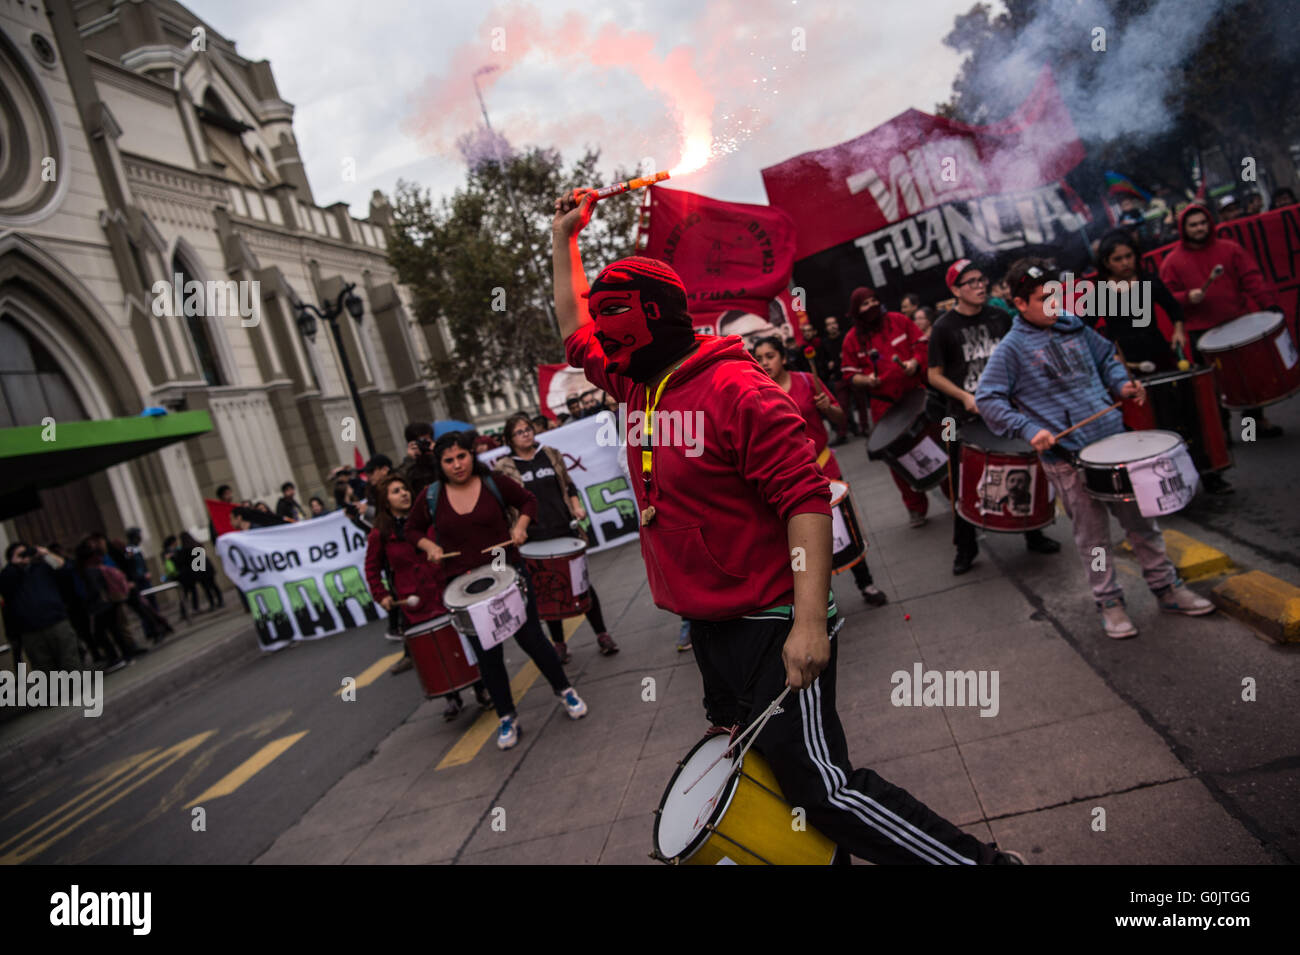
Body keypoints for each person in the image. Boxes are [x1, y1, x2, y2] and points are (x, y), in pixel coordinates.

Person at [552, 187, 1023, 865]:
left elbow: (806, 501)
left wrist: (807, 622)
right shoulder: (638, 383)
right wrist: (565, 237)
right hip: (713, 629)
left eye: (612, 315)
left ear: (652, 318)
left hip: (772, 618)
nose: (599, 331)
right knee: (763, 780)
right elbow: (573, 331)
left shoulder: (735, 391)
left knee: (823, 788)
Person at [975, 258, 1216, 638]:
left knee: (1143, 524)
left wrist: (1121, 385)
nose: (1054, 304)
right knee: (1094, 540)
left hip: (1113, 445)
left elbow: (1107, 359)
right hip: (1068, 460)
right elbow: (987, 399)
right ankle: (1110, 603)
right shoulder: (1011, 349)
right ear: (1020, 304)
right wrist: (1029, 428)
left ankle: (1167, 589)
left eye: (1056, 294)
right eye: (1042, 299)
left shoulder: (1075, 326)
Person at [406, 431, 589, 750]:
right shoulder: (432, 496)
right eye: (448, 460)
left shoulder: (492, 482)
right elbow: (411, 529)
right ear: (440, 464)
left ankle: (564, 690)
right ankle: (507, 716)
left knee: (531, 638)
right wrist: (429, 546)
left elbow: (527, 500)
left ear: (471, 455)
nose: (457, 465)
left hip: (507, 572)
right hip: (464, 586)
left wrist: (519, 527)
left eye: (461, 456)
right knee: (487, 653)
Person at [927, 259, 1060, 574]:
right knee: (965, 484)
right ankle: (965, 548)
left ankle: (1033, 532)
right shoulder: (943, 328)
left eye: (981, 279)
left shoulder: (1000, 317)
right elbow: (934, 375)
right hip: (966, 418)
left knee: (1025, 468)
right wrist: (965, 397)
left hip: (1007, 411)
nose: (979, 286)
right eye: (970, 282)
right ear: (955, 290)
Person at [1090, 229, 1233, 496]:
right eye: (1118, 259)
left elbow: (1174, 310)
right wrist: (1110, 355)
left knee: (1184, 416)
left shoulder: (1149, 281)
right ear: (1106, 263)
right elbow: (1086, 330)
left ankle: (1208, 475)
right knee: (1148, 426)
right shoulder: (1099, 291)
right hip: (1127, 368)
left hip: (1161, 358)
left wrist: (1178, 331)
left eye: (1129, 256)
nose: (1125, 263)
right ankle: (1156, 486)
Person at [752, 337, 888, 605]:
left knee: (843, 528)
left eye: (770, 356)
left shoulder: (806, 380)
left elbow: (840, 417)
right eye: (759, 358)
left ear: (784, 357)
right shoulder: (758, 391)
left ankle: (866, 583)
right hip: (789, 478)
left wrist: (828, 408)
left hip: (824, 467)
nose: (765, 362)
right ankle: (821, 601)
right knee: (803, 542)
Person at [493, 412, 619, 661]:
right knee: (548, 591)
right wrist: (513, 528)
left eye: (528, 428)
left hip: (563, 529)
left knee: (581, 585)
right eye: (519, 432)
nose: (526, 433)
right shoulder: (504, 467)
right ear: (509, 438)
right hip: (534, 539)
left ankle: (602, 633)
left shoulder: (550, 453)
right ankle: (559, 643)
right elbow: (503, 504)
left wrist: (576, 506)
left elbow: (569, 485)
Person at [365, 474, 492, 717]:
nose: (403, 493)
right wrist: (380, 595)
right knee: (435, 648)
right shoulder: (379, 534)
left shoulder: (427, 520)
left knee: (463, 639)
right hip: (414, 598)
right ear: (385, 501)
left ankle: (481, 687)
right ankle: (451, 696)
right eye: (395, 491)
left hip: (444, 588)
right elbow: (371, 568)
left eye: (404, 489)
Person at [1157, 202, 1284, 438]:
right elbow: (1166, 297)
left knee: (1247, 379)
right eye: (1193, 225)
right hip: (1202, 333)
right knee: (1212, 386)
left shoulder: (1229, 249)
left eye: (1203, 223)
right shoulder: (1172, 262)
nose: (1199, 228)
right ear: (1183, 228)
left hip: (1237, 323)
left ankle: (1254, 427)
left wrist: (1269, 305)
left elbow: (1251, 278)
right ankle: (1222, 433)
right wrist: (1187, 297)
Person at [840, 287, 932, 528]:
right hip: (886, 409)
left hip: (917, 399)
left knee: (934, 447)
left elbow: (921, 345)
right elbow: (849, 374)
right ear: (855, 310)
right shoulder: (852, 339)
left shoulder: (899, 321)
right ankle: (915, 507)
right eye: (864, 304)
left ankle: (952, 496)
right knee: (898, 461)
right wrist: (866, 380)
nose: (870, 307)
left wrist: (915, 362)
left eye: (873, 301)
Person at [1, 542, 83, 672]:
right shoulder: (9, 575)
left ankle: (77, 689)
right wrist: (14, 564)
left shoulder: (42, 568)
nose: (24, 556)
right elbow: (4, 586)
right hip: (31, 631)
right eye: (20, 554)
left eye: (26, 552)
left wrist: (46, 554)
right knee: (43, 667)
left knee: (70, 660)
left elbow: (64, 568)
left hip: (56, 622)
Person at [74, 539, 138, 671]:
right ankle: (126, 655)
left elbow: (94, 590)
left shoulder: (88, 570)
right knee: (114, 630)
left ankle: (116, 657)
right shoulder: (97, 564)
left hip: (102, 605)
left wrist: (89, 602)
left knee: (101, 633)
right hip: (109, 602)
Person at [816, 315, 859, 441]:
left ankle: (863, 428)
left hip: (853, 374)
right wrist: (829, 366)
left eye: (833, 323)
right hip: (838, 377)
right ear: (826, 327)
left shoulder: (846, 337)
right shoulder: (824, 343)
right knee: (842, 406)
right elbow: (822, 361)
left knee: (860, 402)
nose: (832, 326)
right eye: (829, 324)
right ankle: (842, 433)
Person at [180, 531, 222, 611]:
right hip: (207, 568)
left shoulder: (185, 549)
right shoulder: (197, 544)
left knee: (206, 589)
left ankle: (212, 603)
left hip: (199, 571)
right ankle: (220, 601)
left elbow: (185, 562)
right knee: (214, 585)